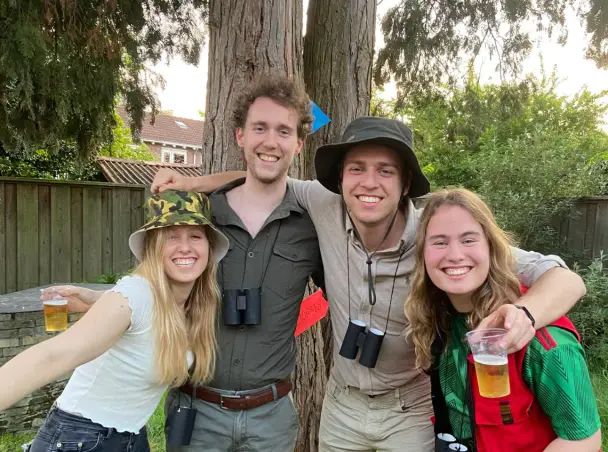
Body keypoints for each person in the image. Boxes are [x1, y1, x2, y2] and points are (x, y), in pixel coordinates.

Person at [152, 115, 586, 451]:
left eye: (385, 171)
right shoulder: (324, 206)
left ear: (404, 186)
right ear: (340, 180)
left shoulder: (437, 237)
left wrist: (528, 314)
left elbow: (564, 279)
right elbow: (260, 180)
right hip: (341, 402)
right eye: (356, 168)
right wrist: (188, 182)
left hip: (408, 404)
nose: (369, 183)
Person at [0, 190, 228, 452]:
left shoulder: (191, 305)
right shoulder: (136, 293)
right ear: (153, 248)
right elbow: (53, 355)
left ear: (209, 248)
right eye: (171, 237)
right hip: (81, 439)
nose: (185, 247)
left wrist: (96, 297)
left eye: (195, 236)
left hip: (129, 437)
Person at [405, 188, 601, 451]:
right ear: (423, 255)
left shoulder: (545, 343)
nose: (454, 255)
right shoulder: (441, 321)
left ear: (492, 247)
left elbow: (583, 441)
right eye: (439, 242)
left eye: (468, 240)